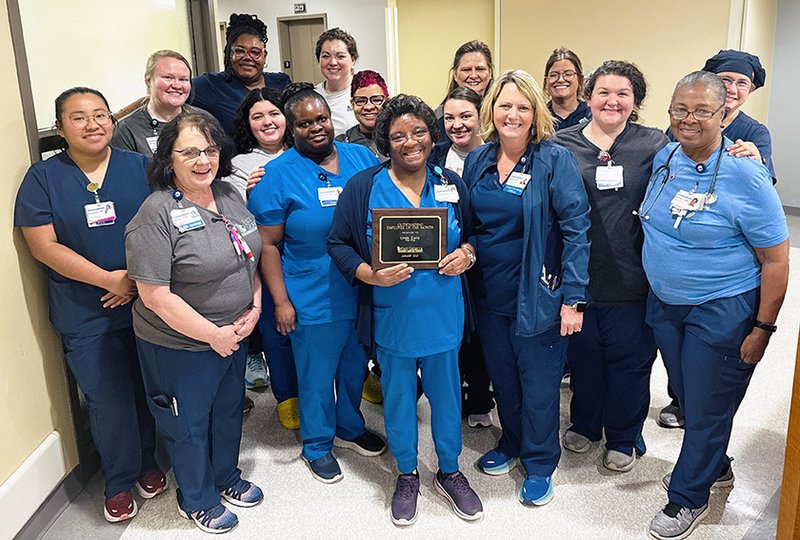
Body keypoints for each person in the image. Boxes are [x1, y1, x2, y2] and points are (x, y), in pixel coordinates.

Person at [641, 71, 788, 540]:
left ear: (724, 115)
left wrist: (763, 328)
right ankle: (714, 466)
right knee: (691, 396)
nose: (689, 119)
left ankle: (689, 496)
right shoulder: (667, 157)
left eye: (702, 111)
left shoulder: (746, 174)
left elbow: (777, 260)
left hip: (721, 306)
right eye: (680, 109)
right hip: (667, 303)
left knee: (707, 406)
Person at [328, 94, 483, 525]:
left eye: (418, 132)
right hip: (392, 312)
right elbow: (338, 243)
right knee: (398, 398)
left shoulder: (450, 182)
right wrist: (369, 275)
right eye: (398, 135)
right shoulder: (364, 187)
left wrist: (467, 252)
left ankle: (450, 471)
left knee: (446, 397)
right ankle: (407, 473)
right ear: (385, 141)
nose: (410, 142)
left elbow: (475, 233)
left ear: (431, 136)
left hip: (443, 312)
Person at [14, 87, 166, 523]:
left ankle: (149, 462)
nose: (93, 124)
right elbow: (43, 246)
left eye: (100, 114)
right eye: (78, 117)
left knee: (146, 388)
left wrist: (132, 279)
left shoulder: (139, 166)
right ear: (60, 128)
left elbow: (163, 224)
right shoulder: (43, 178)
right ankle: (118, 481)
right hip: (85, 310)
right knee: (107, 399)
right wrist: (108, 279)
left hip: (146, 301)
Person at [125, 112, 264, 534]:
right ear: (168, 158)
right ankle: (196, 499)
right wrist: (212, 335)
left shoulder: (228, 193)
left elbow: (250, 257)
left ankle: (225, 476)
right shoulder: (156, 213)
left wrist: (255, 307)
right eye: (189, 152)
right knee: (187, 424)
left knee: (228, 411)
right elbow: (155, 295)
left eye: (210, 150)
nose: (203, 160)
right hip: (180, 344)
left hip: (233, 333)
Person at [462, 70, 590, 506]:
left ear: (535, 112)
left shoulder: (554, 159)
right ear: (491, 110)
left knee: (539, 385)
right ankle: (512, 441)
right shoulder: (479, 160)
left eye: (522, 106)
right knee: (504, 379)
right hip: (489, 294)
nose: (512, 114)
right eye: (504, 105)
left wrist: (573, 298)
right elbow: (471, 225)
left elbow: (576, 231)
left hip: (539, 295)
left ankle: (539, 461)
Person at [247, 84, 385, 484]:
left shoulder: (361, 157)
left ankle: (349, 426)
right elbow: (267, 245)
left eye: (321, 118)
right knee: (317, 374)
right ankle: (317, 444)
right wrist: (281, 301)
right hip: (312, 293)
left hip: (363, 288)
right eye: (305, 123)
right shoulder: (276, 176)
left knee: (355, 366)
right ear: (291, 130)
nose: (316, 128)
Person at [554, 61, 668, 472]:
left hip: (633, 277)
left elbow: (698, 159)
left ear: (635, 101)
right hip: (580, 277)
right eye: (603, 92)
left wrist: (742, 151)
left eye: (623, 94)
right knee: (584, 360)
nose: (612, 101)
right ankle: (585, 424)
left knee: (630, 363)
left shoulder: (655, 144)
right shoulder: (562, 144)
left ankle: (623, 435)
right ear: (588, 96)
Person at [659, 49, 776, 430]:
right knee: (684, 365)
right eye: (727, 80)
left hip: (724, 273)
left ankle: (703, 432)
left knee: (711, 382)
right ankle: (683, 402)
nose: (734, 88)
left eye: (742, 82)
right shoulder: (676, 137)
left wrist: (756, 162)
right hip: (672, 276)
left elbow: (763, 197)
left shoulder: (753, 137)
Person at [223, 88, 302, 428]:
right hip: (266, 258)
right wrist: (249, 193)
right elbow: (229, 216)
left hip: (307, 255)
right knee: (277, 328)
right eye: (258, 116)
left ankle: (316, 390)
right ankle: (287, 396)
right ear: (247, 123)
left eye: (274, 113)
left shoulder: (306, 152)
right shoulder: (237, 166)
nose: (268, 122)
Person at [428, 86, 494, 428]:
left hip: (486, 256)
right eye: (450, 118)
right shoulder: (434, 155)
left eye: (466, 116)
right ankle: (452, 400)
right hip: (444, 261)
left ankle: (481, 397)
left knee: (480, 335)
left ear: (481, 116)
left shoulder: (496, 155)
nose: (457, 125)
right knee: (452, 335)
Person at [191, 13, 291, 134]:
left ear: (264, 56)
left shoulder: (281, 83)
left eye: (255, 52)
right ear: (229, 54)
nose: (247, 57)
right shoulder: (211, 85)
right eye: (239, 51)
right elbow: (176, 91)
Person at [112, 50, 200, 157]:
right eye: (168, 78)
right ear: (148, 81)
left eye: (183, 79)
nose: (177, 85)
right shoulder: (126, 130)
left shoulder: (204, 120)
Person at [435, 40, 495, 142]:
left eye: (480, 69)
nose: (473, 75)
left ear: (490, 73)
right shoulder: (439, 117)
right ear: (455, 74)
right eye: (466, 70)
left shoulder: (500, 113)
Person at [314, 27, 359, 137]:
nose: (333, 62)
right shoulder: (312, 96)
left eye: (340, 56)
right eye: (326, 56)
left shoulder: (364, 94)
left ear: (353, 60)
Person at [334, 69, 389, 158]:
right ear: (352, 104)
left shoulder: (399, 137)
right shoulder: (341, 145)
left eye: (376, 100)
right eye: (361, 101)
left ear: (387, 101)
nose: (368, 107)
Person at [544, 47, 591, 130]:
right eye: (554, 75)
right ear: (546, 81)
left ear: (580, 79)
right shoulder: (539, 117)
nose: (561, 79)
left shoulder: (592, 115)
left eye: (568, 74)